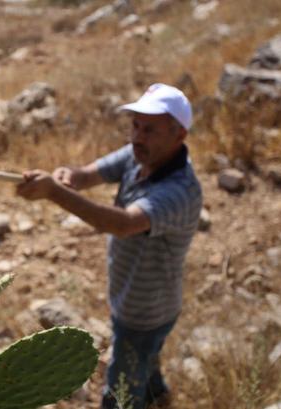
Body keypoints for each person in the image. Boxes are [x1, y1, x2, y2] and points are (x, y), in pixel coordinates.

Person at [16, 83, 203, 409]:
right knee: (146, 357)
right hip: (132, 299)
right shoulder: (139, 155)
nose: (137, 136)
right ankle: (158, 396)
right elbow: (90, 174)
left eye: (149, 129)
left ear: (179, 135)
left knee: (119, 395)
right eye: (135, 125)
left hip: (145, 312)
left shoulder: (180, 191)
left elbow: (120, 224)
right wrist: (70, 177)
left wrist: (53, 193)